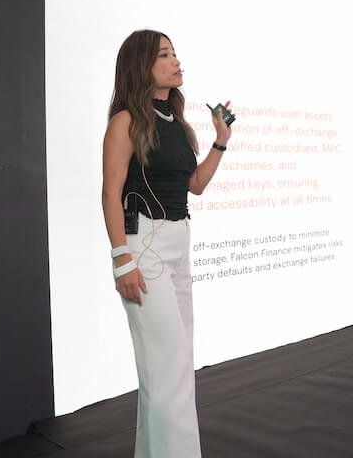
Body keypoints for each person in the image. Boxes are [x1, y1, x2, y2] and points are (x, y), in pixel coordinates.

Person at [102, 29, 232, 458]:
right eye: (164, 55)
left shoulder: (177, 124)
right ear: (142, 65)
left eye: (175, 53)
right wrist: (122, 260)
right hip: (145, 247)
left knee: (173, 370)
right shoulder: (125, 121)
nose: (176, 61)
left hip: (179, 245)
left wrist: (220, 142)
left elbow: (195, 184)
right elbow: (111, 193)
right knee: (167, 369)